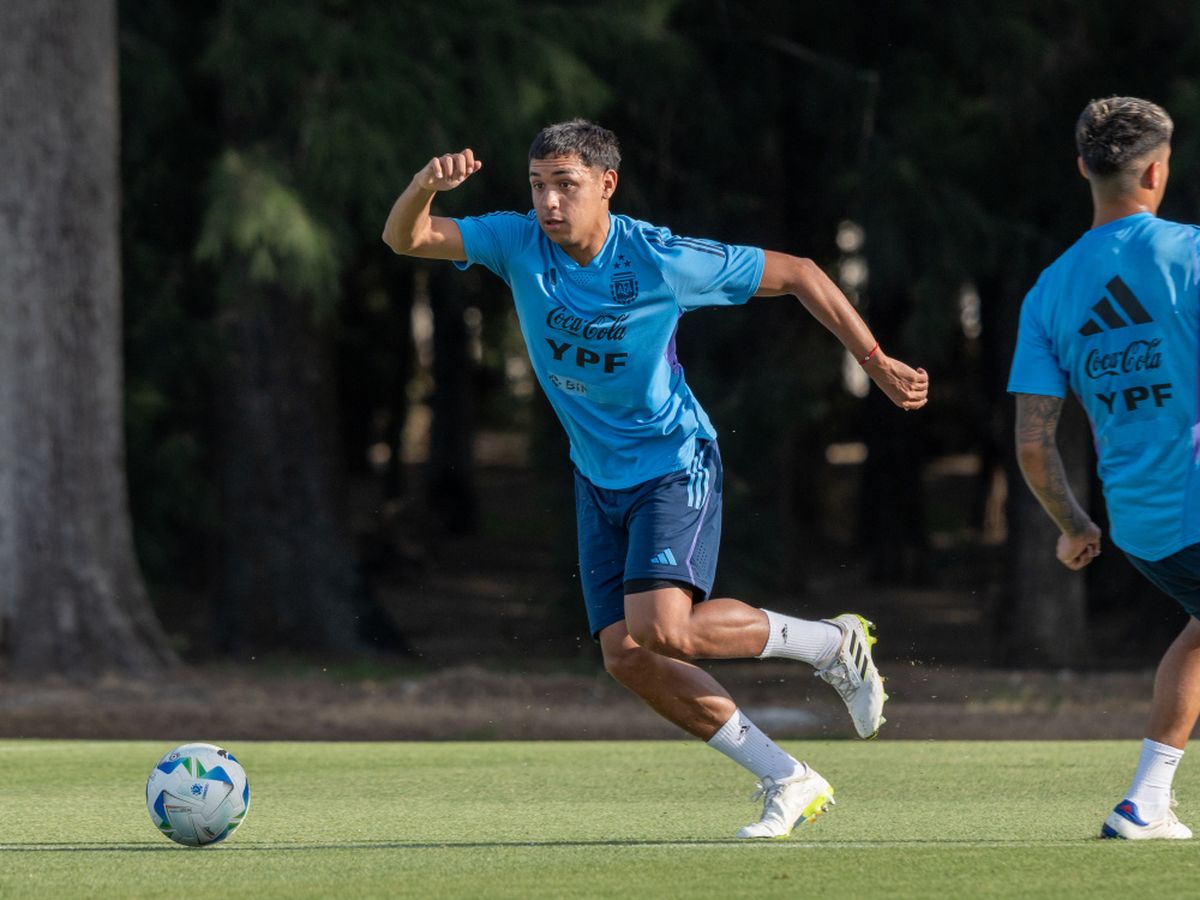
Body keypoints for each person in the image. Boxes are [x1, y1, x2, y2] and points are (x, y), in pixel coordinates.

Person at [383, 119, 929, 838]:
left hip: (674, 464)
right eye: (538, 186)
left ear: (607, 184)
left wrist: (874, 361)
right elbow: (406, 238)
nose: (549, 202)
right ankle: (787, 777)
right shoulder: (515, 241)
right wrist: (426, 185)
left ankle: (831, 644)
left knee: (663, 630)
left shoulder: (658, 258)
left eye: (566, 185)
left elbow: (800, 271)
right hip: (595, 476)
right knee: (627, 658)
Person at [1009, 96, 1199, 841]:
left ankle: (1146, 802)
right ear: (1156, 171)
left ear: (1083, 168)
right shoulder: (1190, 253)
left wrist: (1074, 526)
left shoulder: (1048, 290)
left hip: (1142, 527)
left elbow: (1034, 442)